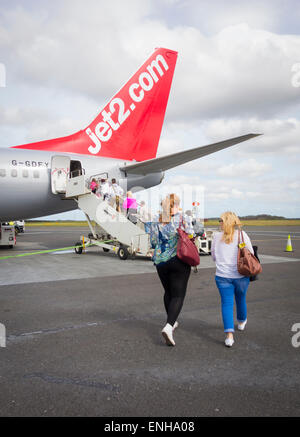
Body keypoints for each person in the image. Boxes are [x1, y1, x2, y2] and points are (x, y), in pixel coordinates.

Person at [145, 194, 194, 346]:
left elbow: (153, 242)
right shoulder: (182, 218)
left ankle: (171, 322)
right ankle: (168, 326)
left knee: (168, 292)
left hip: (160, 262)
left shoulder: (155, 221)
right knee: (178, 295)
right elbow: (191, 235)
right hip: (178, 260)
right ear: (176, 205)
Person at [211, 211, 254, 347]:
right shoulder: (242, 235)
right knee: (241, 298)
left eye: (221, 220)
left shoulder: (216, 236)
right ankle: (241, 322)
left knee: (227, 304)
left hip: (222, 276)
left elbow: (213, 256)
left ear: (225, 222)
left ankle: (229, 336)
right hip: (241, 275)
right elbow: (251, 253)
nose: (219, 223)